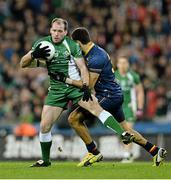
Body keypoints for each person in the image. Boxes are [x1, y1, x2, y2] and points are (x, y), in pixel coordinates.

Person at [20, 18, 133, 167]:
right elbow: (23, 63)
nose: (56, 34)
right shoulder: (42, 43)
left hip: (75, 88)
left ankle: (123, 134)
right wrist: (33, 55)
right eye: (54, 30)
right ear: (50, 30)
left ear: (65, 32)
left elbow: (82, 68)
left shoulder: (72, 45)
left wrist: (86, 86)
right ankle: (46, 161)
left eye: (60, 31)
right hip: (56, 90)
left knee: (95, 108)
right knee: (44, 126)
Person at [53, 27, 167, 167]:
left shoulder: (96, 57)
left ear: (78, 42)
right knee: (127, 130)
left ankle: (93, 152)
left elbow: (88, 85)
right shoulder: (95, 52)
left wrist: (66, 80)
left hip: (108, 95)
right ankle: (155, 151)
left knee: (73, 118)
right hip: (114, 94)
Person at [115, 56, 144, 162]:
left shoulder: (133, 76)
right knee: (121, 132)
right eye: (120, 63)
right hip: (117, 107)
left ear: (128, 64)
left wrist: (140, 108)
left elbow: (140, 91)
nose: (123, 65)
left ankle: (127, 154)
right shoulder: (113, 76)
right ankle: (129, 152)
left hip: (130, 107)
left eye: (125, 63)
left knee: (128, 130)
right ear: (117, 64)